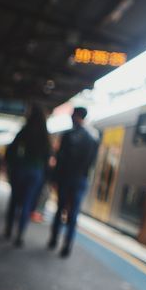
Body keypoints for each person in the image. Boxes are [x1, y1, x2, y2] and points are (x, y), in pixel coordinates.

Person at [48, 106, 99, 256]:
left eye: (72, 115)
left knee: (60, 209)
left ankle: (54, 239)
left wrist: (55, 179)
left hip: (66, 178)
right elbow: (91, 163)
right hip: (80, 179)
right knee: (73, 213)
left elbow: (60, 160)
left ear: (76, 116)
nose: (71, 117)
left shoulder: (67, 135)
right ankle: (67, 245)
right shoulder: (92, 138)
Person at [3, 107, 51, 247]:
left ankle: (8, 230)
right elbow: (48, 158)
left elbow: (10, 151)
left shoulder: (24, 132)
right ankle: (20, 235)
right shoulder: (44, 136)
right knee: (27, 203)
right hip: (36, 172)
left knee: (14, 201)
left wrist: (12, 165)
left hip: (20, 169)